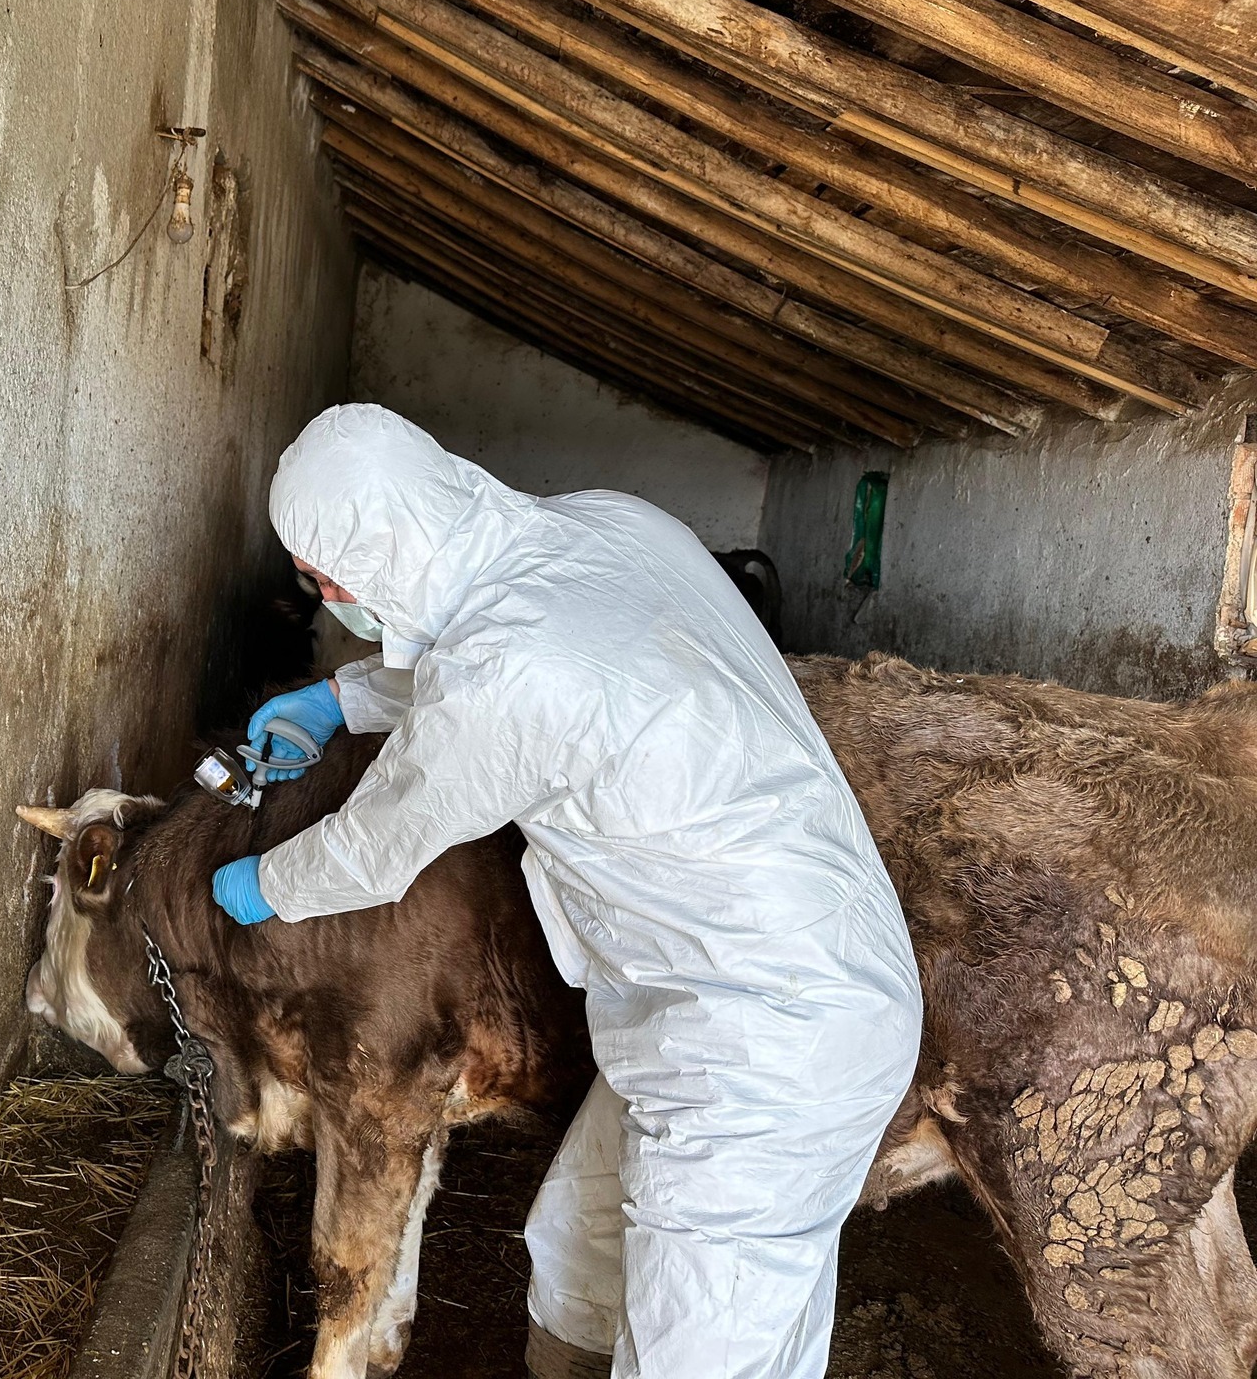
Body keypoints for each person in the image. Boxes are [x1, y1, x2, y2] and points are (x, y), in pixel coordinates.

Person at [210, 405, 921, 1379]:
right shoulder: (610, 524)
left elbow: (375, 848)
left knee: (695, 1358)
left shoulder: (503, 674)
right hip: (729, 979)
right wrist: (338, 699)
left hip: (769, 1039)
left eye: (323, 582)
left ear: (366, 566)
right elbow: (498, 649)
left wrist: (258, 884)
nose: (325, 600)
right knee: (577, 1267)